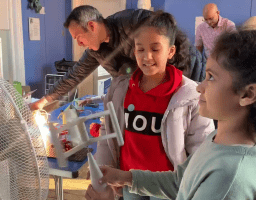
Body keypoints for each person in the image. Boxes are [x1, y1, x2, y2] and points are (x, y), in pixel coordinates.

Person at [86, 30, 256, 199]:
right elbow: (181, 182)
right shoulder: (218, 139)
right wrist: (126, 178)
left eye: (211, 77)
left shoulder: (229, 180)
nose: (200, 87)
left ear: (248, 95)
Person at [85, 11, 215, 200]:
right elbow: (108, 132)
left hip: (166, 187)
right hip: (128, 181)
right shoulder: (120, 89)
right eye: (140, 49)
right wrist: (105, 173)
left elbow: (201, 147)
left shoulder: (190, 94)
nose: (147, 57)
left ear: (170, 51)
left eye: (155, 49)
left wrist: (191, 188)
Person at [30, 5, 200, 110]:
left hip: (189, 75)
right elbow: (74, 76)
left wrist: (181, 90)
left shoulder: (133, 21)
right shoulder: (95, 51)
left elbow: (173, 43)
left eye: (78, 37)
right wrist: (43, 101)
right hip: (152, 98)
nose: (79, 44)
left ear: (91, 26)